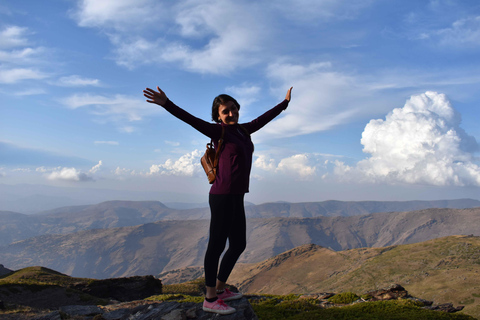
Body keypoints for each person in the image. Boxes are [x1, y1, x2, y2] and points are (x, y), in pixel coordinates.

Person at [143, 86, 293, 315]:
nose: (231, 114)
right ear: (218, 117)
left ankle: (221, 289)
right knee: (216, 245)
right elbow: (190, 119)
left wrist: (284, 103)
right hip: (222, 196)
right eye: (226, 112)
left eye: (234, 109)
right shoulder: (217, 131)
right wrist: (167, 104)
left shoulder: (244, 130)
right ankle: (210, 298)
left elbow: (264, 118)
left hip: (237, 196)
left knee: (238, 244)